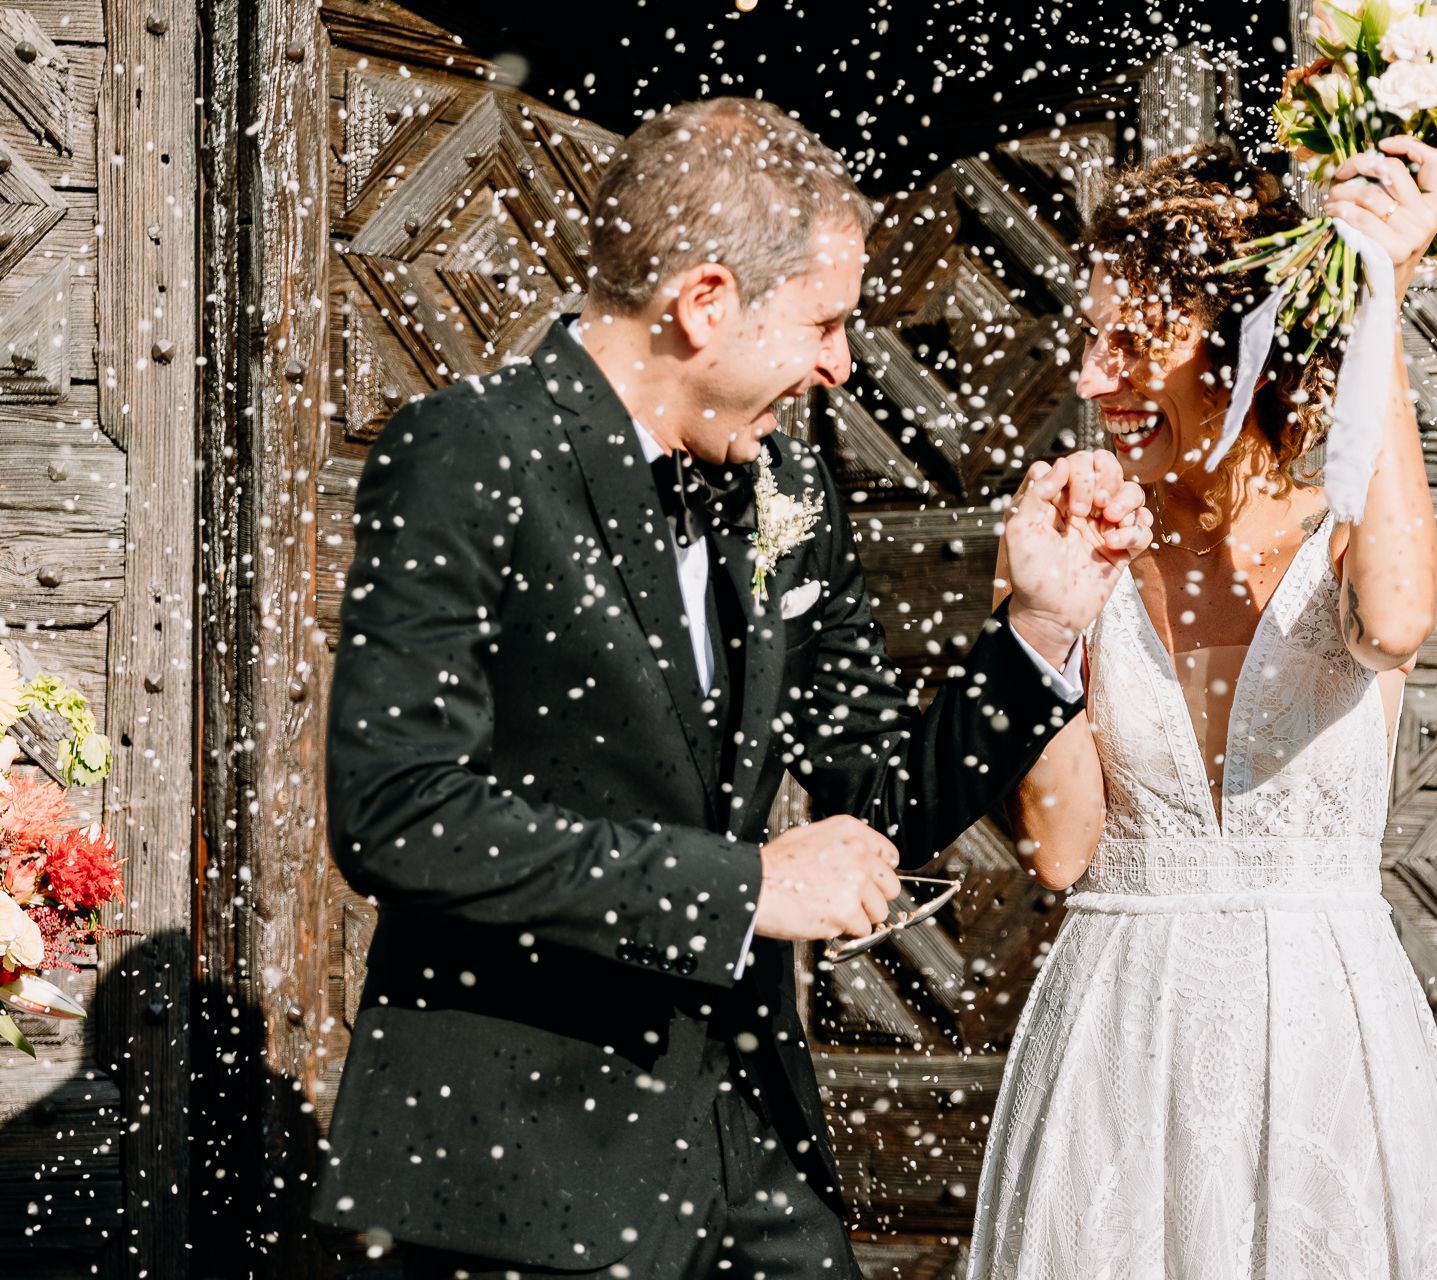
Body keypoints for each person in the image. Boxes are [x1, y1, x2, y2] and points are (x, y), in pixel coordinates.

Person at [314, 97, 1150, 1280]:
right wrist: (744, 884)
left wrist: (1038, 628)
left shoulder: (788, 486)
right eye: (822, 322)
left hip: (753, 1156)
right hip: (520, 1174)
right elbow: (401, 813)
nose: (840, 364)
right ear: (706, 301)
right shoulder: (469, 451)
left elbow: (881, 796)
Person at [969, 139, 1437, 1278]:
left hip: (1322, 1038)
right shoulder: (1079, 536)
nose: (1095, 373)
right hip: (1120, 1036)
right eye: (1091, 334)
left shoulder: (1346, 523)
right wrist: (1041, 613)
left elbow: (1395, 621)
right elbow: (1062, 851)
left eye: (1134, 339)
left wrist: (1379, 304)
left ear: (1240, 341)